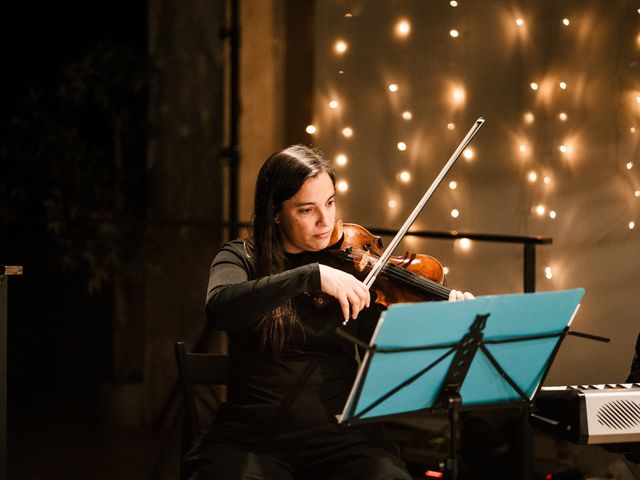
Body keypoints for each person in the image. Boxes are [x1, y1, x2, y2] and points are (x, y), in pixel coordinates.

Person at [186, 144, 474, 480]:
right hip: (252, 440)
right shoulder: (242, 258)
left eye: (330, 202)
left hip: (343, 438)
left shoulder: (354, 268)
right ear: (275, 213)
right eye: (307, 210)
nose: (326, 221)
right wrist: (310, 276)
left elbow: (382, 345)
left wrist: (447, 320)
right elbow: (220, 309)